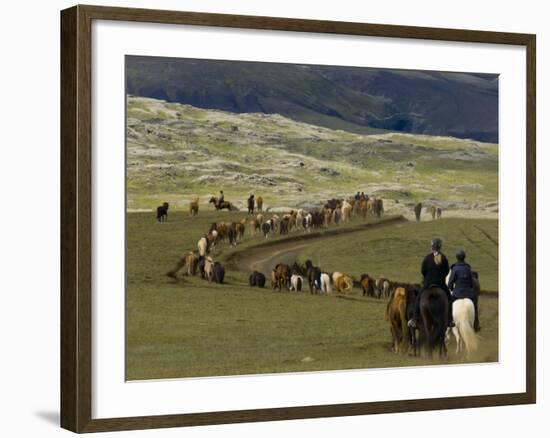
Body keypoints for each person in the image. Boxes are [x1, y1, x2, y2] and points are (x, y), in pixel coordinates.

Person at [408, 238, 452, 329]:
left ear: (432, 246)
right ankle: (449, 320)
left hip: (428, 283)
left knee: (419, 298)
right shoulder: (443, 258)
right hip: (440, 284)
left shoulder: (427, 257)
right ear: (440, 246)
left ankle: (415, 319)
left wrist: (428, 277)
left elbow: (422, 270)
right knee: (449, 298)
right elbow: (447, 271)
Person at [448, 250, 480, 332]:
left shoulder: (454, 268)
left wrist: (451, 289)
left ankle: (449, 320)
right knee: (474, 306)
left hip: (457, 293)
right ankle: (476, 323)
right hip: (468, 294)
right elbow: (471, 281)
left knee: (449, 304)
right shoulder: (468, 268)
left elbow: (450, 282)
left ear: (457, 258)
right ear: (464, 257)